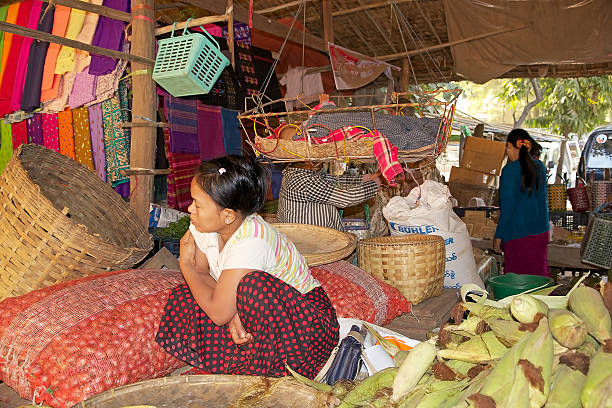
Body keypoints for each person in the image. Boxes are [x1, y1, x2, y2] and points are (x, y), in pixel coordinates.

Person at [156, 155, 339, 379]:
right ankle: (245, 362)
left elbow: (218, 312)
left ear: (228, 216)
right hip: (261, 317)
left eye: (198, 204)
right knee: (184, 297)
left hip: (305, 327)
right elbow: (203, 272)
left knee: (252, 286)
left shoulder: (253, 241)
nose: (190, 209)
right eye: (193, 201)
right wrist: (234, 312)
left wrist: (185, 264)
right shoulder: (202, 225)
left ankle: (280, 369)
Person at [494, 129, 550, 276]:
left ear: (510, 147)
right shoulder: (540, 167)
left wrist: (498, 236)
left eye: (507, 147)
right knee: (539, 276)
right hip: (541, 232)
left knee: (518, 281)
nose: (507, 152)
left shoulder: (510, 170)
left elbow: (508, 208)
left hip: (518, 235)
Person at [276, 160, 382, 230]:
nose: (322, 161)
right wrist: (377, 183)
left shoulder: (300, 173)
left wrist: (370, 177)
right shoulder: (303, 181)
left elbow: (337, 181)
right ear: (307, 160)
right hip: (309, 244)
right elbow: (347, 198)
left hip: (313, 240)